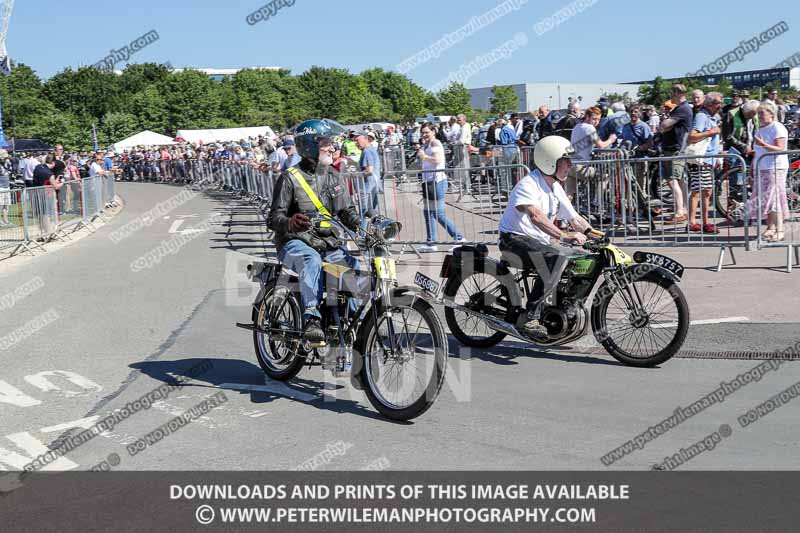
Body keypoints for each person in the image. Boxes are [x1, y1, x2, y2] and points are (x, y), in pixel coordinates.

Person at [268, 119, 363, 344]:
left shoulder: (332, 175)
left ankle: (348, 323)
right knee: (311, 260)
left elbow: (346, 211)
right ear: (310, 145)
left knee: (352, 267)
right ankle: (311, 317)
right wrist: (291, 222)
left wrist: (363, 225)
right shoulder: (290, 177)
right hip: (294, 242)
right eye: (326, 143)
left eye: (331, 142)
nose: (332, 147)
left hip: (326, 242)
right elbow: (273, 218)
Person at [498, 136, 595, 338]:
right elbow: (536, 217)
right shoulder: (529, 184)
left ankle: (567, 309)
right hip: (513, 239)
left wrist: (595, 234)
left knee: (585, 261)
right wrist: (565, 236)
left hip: (538, 241)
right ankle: (530, 318)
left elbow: (574, 218)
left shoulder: (555, 186)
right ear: (549, 161)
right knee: (555, 258)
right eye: (565, 161)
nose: (570, 165)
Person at [416, 122, 464, 252]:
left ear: (434, 131)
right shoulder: (428, 144)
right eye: (423, 132)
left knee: (438, 214)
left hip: (436, 182)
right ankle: (431, 242)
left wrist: (424, 156)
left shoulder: (435, 143)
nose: (424, 134)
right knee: (428, 213)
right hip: (429, 182)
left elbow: (437, 160)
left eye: (427, 132)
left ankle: (459, 238)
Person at [747, 102, 789, 242]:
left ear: (771, 113)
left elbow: (781, 148)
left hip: (775, 167)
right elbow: (757, 153)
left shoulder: (777, 127)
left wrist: (764, 145)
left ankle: (780, 230)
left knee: (774, 198)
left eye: (762, 113)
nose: (759, 117)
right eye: (758, 114)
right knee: (765, 199)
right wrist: (752, 169)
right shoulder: (760, 130)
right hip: (762, 167)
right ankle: (770, 227)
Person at [685, 93, 723, 233]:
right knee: (698, 190)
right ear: (710, 104)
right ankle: (693, 222)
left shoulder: (710, 117)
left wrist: (717, 157)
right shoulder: (702, 116)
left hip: (708, 160)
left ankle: (705, 222)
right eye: (718, 102)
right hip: (701, 159)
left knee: (706, 191)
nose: (721, 105)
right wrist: (712, 131)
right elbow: (693, 136)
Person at [659, 84, 694, 224]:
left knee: (672, 179)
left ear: (678, 93)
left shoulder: (683, 109)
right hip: (675, 148)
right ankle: (682, 209)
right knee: (679, 180)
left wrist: (665, 124)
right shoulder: (680, 109)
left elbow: (664, 125)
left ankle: (680, 211)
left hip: (676, 148)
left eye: (672, 93)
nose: (670, 96)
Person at [568, 107, 617, 201]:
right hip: (581, 166)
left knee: (569, 194)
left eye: (598, 119)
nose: (596, 122)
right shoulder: (589, 128)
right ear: (587, 117)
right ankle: (597, 203)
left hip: (570, 164)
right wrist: (611, 139)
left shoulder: (577, 126)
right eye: (594, 119)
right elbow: (601, 145)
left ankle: (561, 214)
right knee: (604, 177)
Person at [355, 131, 382, 223]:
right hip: (373, 187)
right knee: (373, 214)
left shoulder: (366, 151)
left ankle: (365, 235)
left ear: (366, 139)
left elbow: (369, 170)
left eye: (358, 140)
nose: (356, 143)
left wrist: (354, 174)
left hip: (367, 189)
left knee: (365, 214)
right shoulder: (371, 150)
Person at [0, 150, 11, 226]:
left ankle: (6, 220)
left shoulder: (6, 164)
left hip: (6, 187)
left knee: (6, 205)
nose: (6, 158)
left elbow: (11, 170)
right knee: (0, 205)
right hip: (0, 188)